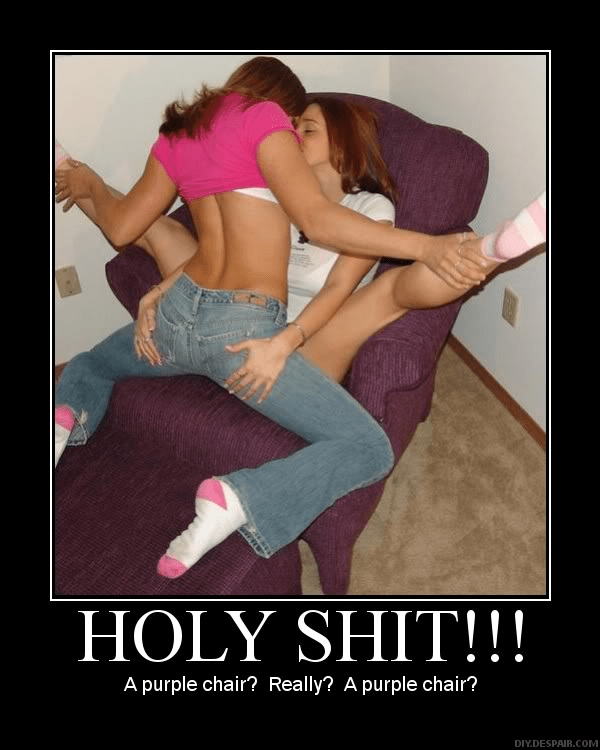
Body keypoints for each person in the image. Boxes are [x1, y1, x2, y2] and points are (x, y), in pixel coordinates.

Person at [52, 58, 534, 580]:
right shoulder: (266, 144)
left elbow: (126, 229)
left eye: (307, 129)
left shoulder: (181, 135)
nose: (292, 135)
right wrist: (427, 245)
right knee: (368, 447)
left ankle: (64, 413)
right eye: (293, 124)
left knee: (90, 364)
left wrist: (96, 192)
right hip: (241, 328)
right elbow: (302, 224)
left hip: (225, 325)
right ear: (278, 109)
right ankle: (241, 500)